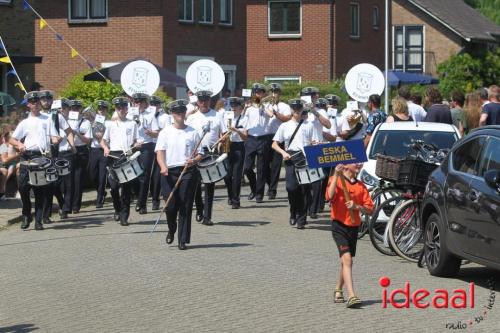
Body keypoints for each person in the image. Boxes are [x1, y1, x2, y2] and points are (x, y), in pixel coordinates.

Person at [155, 99, 203, 250]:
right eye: (177, 112)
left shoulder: (193, 132)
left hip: (187, 171)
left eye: (182, 112)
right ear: (172, 114)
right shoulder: (165, 132)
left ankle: (182, 239)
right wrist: (163, 167)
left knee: (185, 204)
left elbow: (200, 154)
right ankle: (171, 228)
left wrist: (193, 161)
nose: (180, 114)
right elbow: (160, 153)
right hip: (169, 172)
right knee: (170, 206)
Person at [9, 91, 60, 230]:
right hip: (27, 156)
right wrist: (19, 144)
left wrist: (55, 140)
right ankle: (26, 214)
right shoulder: (25, 122)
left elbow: (54, 136)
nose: (36, 104)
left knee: (40, 190)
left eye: (37, 102)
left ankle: (38, 221)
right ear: (28, 105)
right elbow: (12, 139)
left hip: (42, 157)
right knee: (23, 187)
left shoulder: (47, 119)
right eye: (33, 102)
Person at [326, 163, 374, 308]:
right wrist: (335, 174)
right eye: (356, 162)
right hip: (339, 225)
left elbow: (370, 209)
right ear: (346, 166)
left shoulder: (361, 186)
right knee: (347, 259)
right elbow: (329, 196)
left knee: (345, 261)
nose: (360, 164)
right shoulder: (336, 179)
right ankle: (352, 296)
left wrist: (357, 207)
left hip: (353, 227)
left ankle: (338, 289)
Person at [272, 99, 315, 229]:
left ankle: (301, 219)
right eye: (294, 110)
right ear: (291, 110)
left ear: (302, 110)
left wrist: (315, 144)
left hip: (305, 158)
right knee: (291, 188)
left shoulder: (309, 125)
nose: (297, 112)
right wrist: (283, 152)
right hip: (290, 157)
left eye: (299, 109)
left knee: (304, 189)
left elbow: (313, 141)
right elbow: (274, 144)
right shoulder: (284, 126)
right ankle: (293, 211)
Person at [186, 90, 226, 225]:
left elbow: (224, 133)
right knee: (196, 185)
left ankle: (207, 216)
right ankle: (199, 208)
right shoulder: (191, 118)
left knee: (210, 185)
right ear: (197, 102)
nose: (204, 103)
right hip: (196, 153)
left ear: (210, 101)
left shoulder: (217, 116)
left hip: (211, 153)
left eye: (206, 100)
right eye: (201, 101)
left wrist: (222, 140)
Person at [101, 97, 139, 226]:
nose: (121, 110)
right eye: (118, 108)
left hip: (126, 156)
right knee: (113, 187)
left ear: (127, 109)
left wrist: (137, 144)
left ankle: (124, 216)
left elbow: (136, 140)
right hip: (114, 155)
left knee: (126, 188)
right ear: (116, 110)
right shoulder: (110, 124)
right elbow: (104, 140)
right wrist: (106, 148)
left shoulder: (132, 124)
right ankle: (117, 208)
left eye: (123, 107)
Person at [243, 83, 272, 203]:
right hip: (251, 139)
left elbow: (271, 115)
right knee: (247, 168)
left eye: (260, 92)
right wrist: (246, 107)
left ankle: (259, 194)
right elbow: (244, 122)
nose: (258, 94)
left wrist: (263, 106)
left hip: (263, 139)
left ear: (263, 94)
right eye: (256, 93)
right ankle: (254, 188)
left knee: (261, 169)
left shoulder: (266, 106)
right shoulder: (249, 108)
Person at [132, 93, 160, 214]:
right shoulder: (128, 114)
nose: (137, 104)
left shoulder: (150, 115)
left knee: (144, 176)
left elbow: (157, 132)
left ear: (144, 103)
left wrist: (149, 132)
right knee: (133, 176)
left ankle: (142, 204)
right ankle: (138, 197)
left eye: (139, 102)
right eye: (135, 102)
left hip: (146, 146)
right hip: (133, 146)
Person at [264, 83, 291, 200]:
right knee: (263, 165)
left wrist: (275, 112)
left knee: (275, 165)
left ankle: (272, 190)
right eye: (272, 92)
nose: (273, 94)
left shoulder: (284, 106)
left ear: (279, 93)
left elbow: (286, 119)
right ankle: (270, 184)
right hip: (265, 136)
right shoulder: (264, 105)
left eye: (276, 92)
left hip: (278, 137)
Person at [223, 97, 249, 209]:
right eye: (232, 106)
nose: (233, 108)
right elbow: (221, 131)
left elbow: (245, 138)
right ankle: (230, 195)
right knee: (227, 175)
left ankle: (236, 200)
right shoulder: (225, 116)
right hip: (227, 146)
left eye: (236, 106)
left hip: (238, 147)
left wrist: (237, 130)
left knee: (237, 175)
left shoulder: (245, 119)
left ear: (240, 107)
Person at [67, 99, 91, 214]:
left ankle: (76, 205)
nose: (75, 110)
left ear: (80, 109)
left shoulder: (85, 122)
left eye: (77, 108)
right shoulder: (66, 120)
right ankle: (68, 204)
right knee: (68, 180)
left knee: (78, 179)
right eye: (73, 108)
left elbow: (87, 141)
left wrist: (76, 133)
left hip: (81, 151)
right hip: (69, 150)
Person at [54, 98, 77, 219]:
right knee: (55, 183)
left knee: (68, 182)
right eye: (59, 108)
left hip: (67, 152)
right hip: (54, 154)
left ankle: (66, 208)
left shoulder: (71, 120)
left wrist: (72, 145)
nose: (61, 110)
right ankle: (62, 203)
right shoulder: (53, 118)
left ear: (68, 109)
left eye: (64, 108)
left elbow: (70, 133)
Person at [89, 100, 109, 209]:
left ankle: (99, 198)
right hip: (94, 150)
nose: (101, 111)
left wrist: (101, 136)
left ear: (106, 111)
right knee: (92, 175)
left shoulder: (109, 123)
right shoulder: (93, 122)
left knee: (102, 176)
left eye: (104, 109)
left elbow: (105, 138)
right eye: (100, 109)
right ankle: (101, 192)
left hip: (104, 151)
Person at [150, 95, 169, 211]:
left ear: (159, 105)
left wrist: (155, 132)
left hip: (160, 147)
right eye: (151, 104)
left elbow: (167, 131)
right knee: (149, 176)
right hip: (148, 146)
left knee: (158, 175)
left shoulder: (166, 117)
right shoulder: (146, 115)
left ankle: (156, 200)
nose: (153, 107)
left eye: (155, 104)